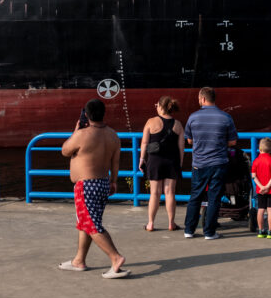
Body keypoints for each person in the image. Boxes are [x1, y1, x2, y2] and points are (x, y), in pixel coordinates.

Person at [59, 98, 130, 278]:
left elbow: (65, 150)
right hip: (103, 183)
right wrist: (113, 181)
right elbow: (115, 162)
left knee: (91, 224)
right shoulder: (113, 135)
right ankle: (79, 260)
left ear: (87, 115)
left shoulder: (82, 134)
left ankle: (115, 258)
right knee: (86, 223)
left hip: (86, 186)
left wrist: (76, 130)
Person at [184, 87, 238, 240]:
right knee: (214, 198)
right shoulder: (225, 117)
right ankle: (209, 232)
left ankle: (189, 230)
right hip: (219, 163)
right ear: (214, 99)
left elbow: (189, 140)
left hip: (199, 164)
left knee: (195, 196)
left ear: (202, 99)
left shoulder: (193, 117)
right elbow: (233, 141)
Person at [139, 96, 185, 232]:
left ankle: (150, 224)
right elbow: (181, 147)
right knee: (170, 193)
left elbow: (144, 143)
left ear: (161, 106)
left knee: (154, 193)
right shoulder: (178, 124)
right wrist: (180, 163)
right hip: (172, 161)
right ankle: (171, 223)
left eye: (157, 105)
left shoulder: (151, 122)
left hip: (155, 160)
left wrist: (142, 159)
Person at [251, 137, 271, 239]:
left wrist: (261, 186)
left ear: (259, 148)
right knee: (270, 210)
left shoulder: (256, 161)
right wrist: (267, 186)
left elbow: (253, 176)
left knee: (261, 209)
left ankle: (261, 231)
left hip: (260, 189)